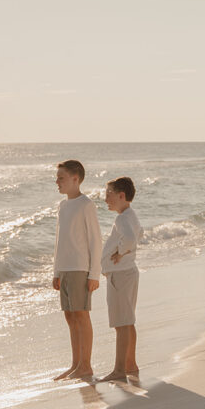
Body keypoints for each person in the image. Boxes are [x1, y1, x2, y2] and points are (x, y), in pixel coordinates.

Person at [51, 159, 102, 380]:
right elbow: (58, 241)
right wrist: (55, 271)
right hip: (64, 269)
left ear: (75, 179)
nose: (57, 182)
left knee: (82, 316)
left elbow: (95, 241)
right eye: (57, 178)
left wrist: (94, 274)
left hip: (80, 268)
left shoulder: (86, 205)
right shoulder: (62, 206)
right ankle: (75, 364)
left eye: (61, 178)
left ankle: (86, 365)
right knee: (70, 317)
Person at [98, 176, 143, 383]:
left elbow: (132, 239)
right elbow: (139, 233)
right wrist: (124, 252)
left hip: (121, 274)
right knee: (127, 321)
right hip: (128, 272)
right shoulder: (130, 215)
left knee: (121, 323)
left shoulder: (122, 218)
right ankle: (130, 365)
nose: (105, 198)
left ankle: (119, 370)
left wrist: (120, 252)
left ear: (121, 195)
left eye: (109, 194)